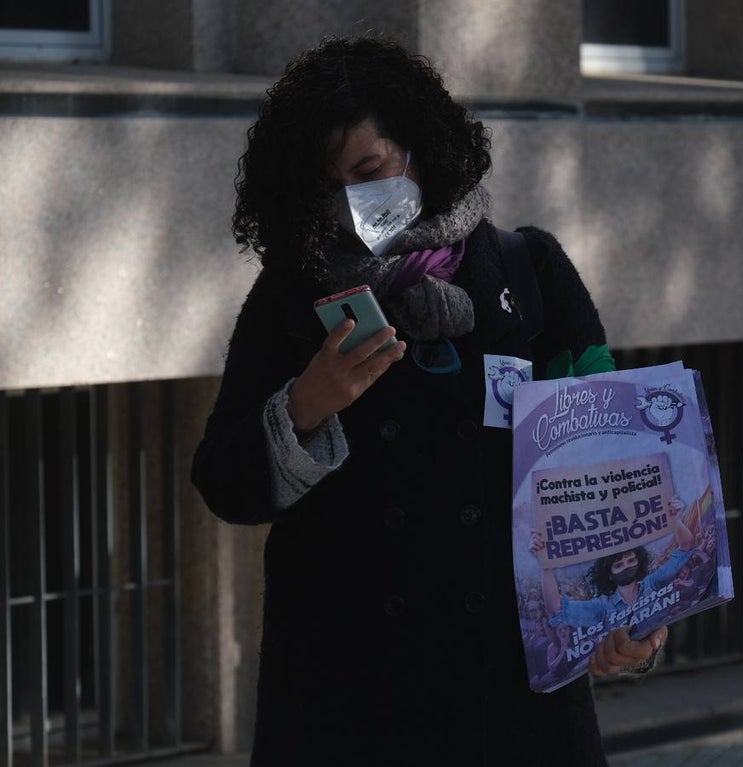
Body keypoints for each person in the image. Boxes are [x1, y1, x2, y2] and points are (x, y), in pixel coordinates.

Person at [190, 36, 666, 766]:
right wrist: (306, 407)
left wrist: (630, 621)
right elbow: (225, 482)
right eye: (332, 185)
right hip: (349, 702)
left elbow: (609, 465)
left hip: (511, 702)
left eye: (370, 170)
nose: (355, 200)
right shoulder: (291, 297)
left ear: (419, 148)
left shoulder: (527, 269)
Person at [537, 497, 695, 650]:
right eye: (619, 565)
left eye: (631, 560)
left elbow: (686, 547)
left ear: (639, 562)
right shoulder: (602, 606)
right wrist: (546, 564)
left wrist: (675, 519)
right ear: (609, 574)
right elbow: (556, 608)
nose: (627, 567)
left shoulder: (652, 583)